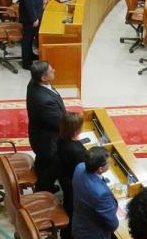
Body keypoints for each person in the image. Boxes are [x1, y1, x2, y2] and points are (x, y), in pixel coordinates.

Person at [26, 61, 65, 190]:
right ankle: (43, 189)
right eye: (51, 71)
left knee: (42, 163)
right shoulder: (44, 101)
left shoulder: (33, 83)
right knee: (51, 168)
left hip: (39, 134)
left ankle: (42, 179)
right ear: (43, 78)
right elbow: (59, 124)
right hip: (47, 142)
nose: (54, 70)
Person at [72, 146, 120, 239]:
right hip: (93, 233)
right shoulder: (101, 194)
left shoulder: (80, 167)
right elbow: (112, 224)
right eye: (108, 162)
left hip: (79, 223)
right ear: (100, 169)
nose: (110, 163)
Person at [56, 111, 86, 238]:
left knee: (69, 204)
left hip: (65, 177)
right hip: (74, 185)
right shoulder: (77, 151)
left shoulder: (60, 139)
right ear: (76, 130)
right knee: (72, 210)